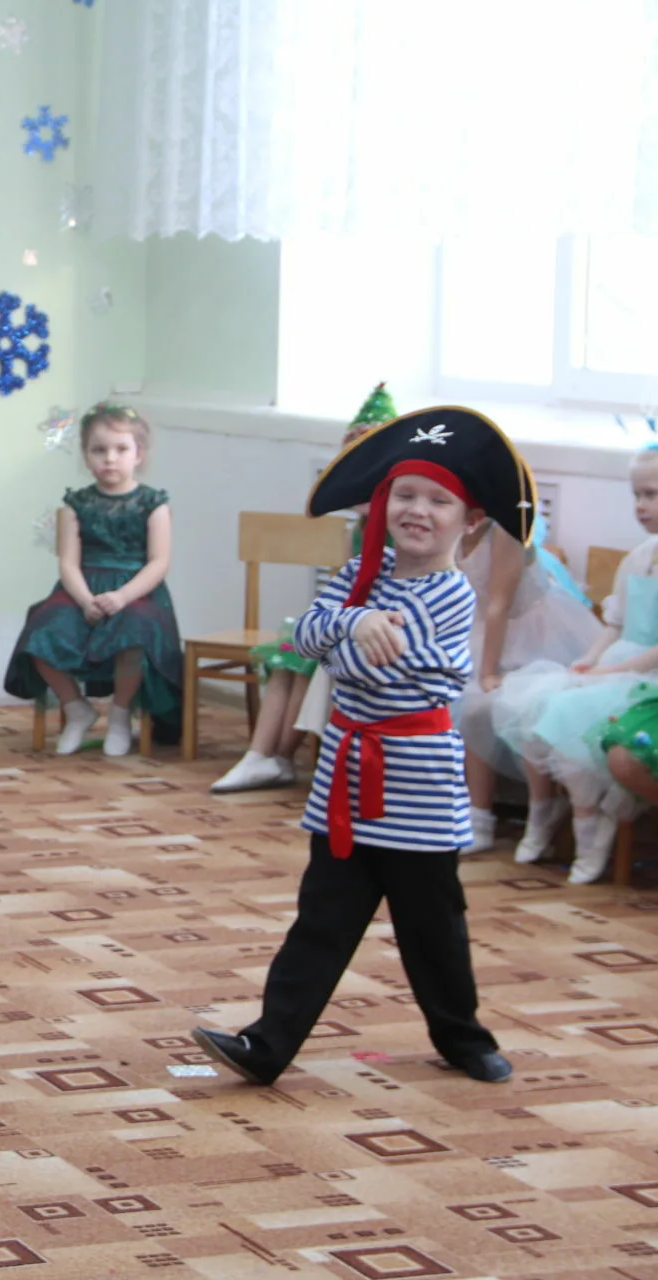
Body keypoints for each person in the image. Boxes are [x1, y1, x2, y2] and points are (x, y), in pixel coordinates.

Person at [191, 406, 527, 1088]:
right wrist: (359, 620)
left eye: (439, 500)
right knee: (320, 923)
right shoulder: (359, 576)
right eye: (405, 494)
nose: (418, 510)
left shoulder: (453, 593)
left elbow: (430, 672)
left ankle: (464, 1040)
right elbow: (306, 634)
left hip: (418, 796)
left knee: (434, 932)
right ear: (382, 504)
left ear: (470, 521)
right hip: (343, 790)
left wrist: (352, 646)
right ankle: (268, 1045)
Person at [494, 446, 658, 882]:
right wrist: (589, 660)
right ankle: (541, 811)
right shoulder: (641, 556)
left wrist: (611, 673)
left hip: (651, 676)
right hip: (620, 659)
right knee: (536, 702)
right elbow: (616, 623)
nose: (641, 506)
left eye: (652, 495)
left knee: (570, 716)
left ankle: (593, 828)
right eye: (636, 496)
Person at [212, 407, 391, 794]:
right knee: (290, 650)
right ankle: (262, 755)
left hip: (376, 629)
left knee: (308, 656)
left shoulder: (399, 531)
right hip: (348, 621)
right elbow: (343, 585)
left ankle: (279, 756)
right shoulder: (355, 530)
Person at [4, 404, 180, 756]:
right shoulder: (75, 504)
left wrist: (122, 597)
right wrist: (86, 601)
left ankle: (120, 714)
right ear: (86, 455)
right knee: (42, 628)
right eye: (99, 450)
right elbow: (68, 563)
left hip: (136, 592)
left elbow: (159, 563)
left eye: (121, 449)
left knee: (136, 629)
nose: (110, 459)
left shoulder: (153, 504)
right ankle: (76, 708)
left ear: (138, 454)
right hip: (82, 589)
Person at [450, 515, 601, 854]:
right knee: (464, 706)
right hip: (479, 628)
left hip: (533, 633)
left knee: (491, 701)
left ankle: (542, 806)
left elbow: (500, 603)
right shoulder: (454, 522)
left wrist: (487, 671)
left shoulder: (506, 529)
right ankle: (478, 814)